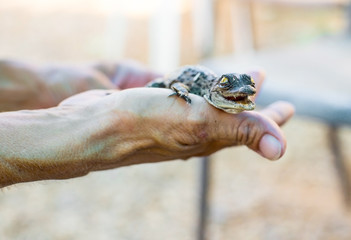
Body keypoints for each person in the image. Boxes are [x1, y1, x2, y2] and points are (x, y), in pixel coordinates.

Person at [0, 60, 294, 188]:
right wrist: (85, 123)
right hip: (175, 81)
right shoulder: (202, 87)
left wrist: (47, 84)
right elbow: (176, 83)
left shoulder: (224, 92)